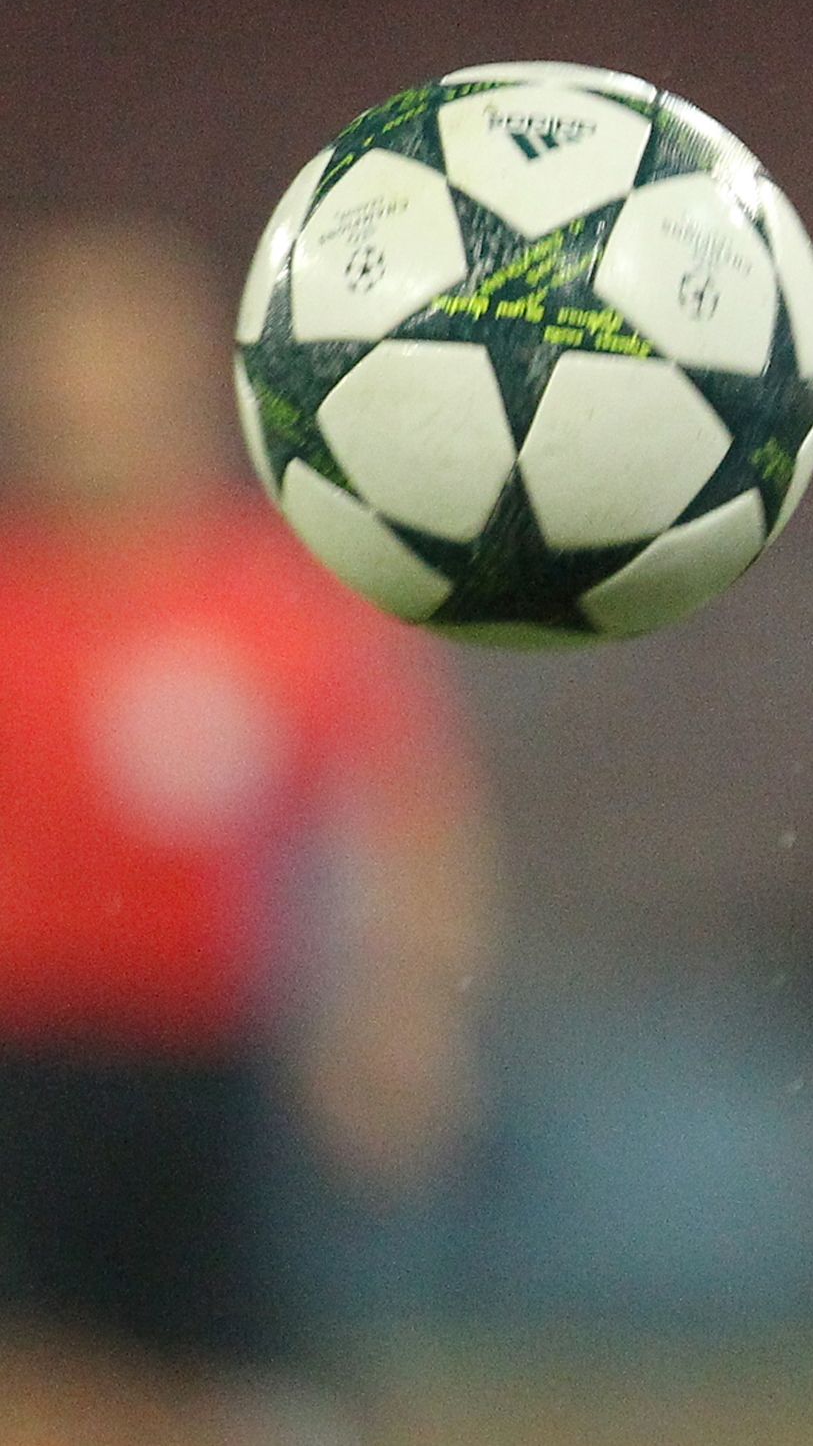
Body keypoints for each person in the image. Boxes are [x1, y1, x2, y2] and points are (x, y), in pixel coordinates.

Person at [0, 219, 491, 1446]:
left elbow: (412, 814)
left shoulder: (281, 594)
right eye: (57, 348)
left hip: (214, 1060)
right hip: (22, 1054)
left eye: (113, 345)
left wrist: (403, 1014)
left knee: (221, 1388)